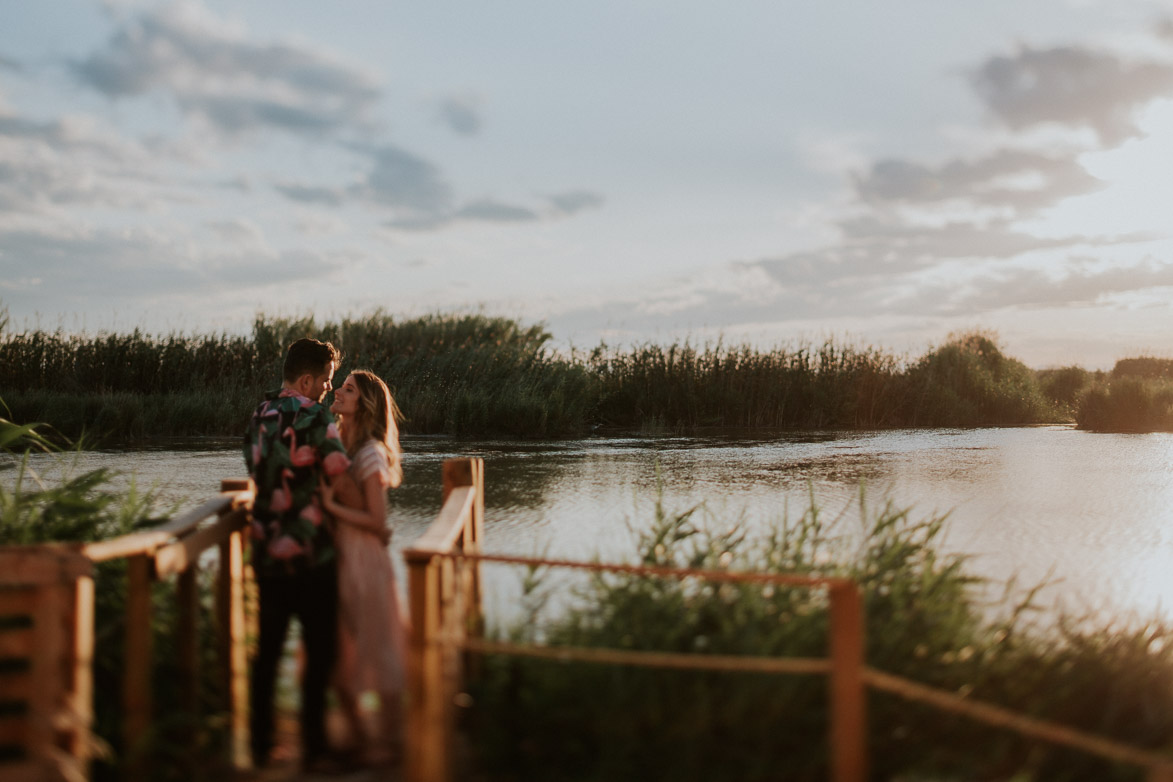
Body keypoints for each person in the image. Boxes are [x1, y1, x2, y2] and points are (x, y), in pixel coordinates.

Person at [243, 337, 351, 773]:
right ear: (307, 379)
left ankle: (260, 745)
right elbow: (339, 475)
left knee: (268, 651)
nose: (328, 389)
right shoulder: (314, 416)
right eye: (326, 381)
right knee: (321, 650)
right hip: (310, 554)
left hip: (267, 549)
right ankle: (315, 748)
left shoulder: (258, 415)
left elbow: (257, 472)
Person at [318, 369, 409, 767]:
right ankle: (360, 738)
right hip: (337, 559)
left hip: (366, 561)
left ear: (365, 404)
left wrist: (331, 506)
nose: (338, 390)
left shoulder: (370, 452)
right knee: (339, 654)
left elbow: (377, 522)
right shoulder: (335, 441)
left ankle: (391, 744)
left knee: (380, 650)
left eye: (349, 389)